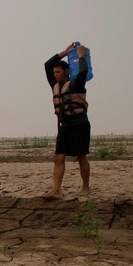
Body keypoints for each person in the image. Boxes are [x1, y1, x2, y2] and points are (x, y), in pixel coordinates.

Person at [43, 43, 91, 199]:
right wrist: (66, 51)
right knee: (58, 157)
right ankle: (56, 190)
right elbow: (47, 64)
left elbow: (83, 70)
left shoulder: (76, 83)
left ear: (66, 72)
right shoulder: (55, 85)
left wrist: (81, 55)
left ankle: (85, 187)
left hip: (80, 124)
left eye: (58, 72)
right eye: (54, 72)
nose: (55, 74)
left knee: (81, 157)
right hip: (64, 126)